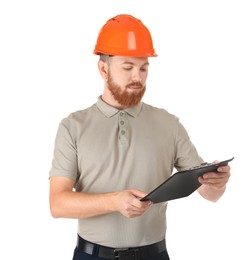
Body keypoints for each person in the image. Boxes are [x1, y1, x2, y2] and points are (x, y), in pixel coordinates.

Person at [49, 14, 231, 260]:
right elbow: (58, 204)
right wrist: (114, 201)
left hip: (154, 254)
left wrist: (216, 183)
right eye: (128, 68)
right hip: (91, 255)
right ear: (103, 69)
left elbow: (210, 194)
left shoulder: (169, 124)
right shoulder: (73, 126)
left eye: (144, 68)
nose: (138, 77)